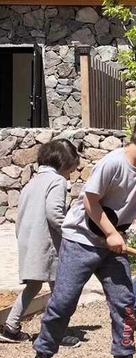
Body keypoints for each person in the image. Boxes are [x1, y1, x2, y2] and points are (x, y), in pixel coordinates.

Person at [25, 111, 136, 358]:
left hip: (115, 246)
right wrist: (110, 233)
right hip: (81, 241)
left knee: (124, 302)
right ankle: (42, 357)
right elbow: (90, 201)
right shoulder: (112, 164)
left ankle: (124, 357)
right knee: (63, 302)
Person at [1, 140, 81, 347]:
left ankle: (11, 327)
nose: (70, 175)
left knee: (33, 285)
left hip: (29, 241)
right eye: (71, 170)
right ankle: (56, 332)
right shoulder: (57, 182)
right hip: (48, 245)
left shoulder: (33, 182)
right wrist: (73, 231)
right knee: (60, 289)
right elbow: (54, 214)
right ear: (64, 163)